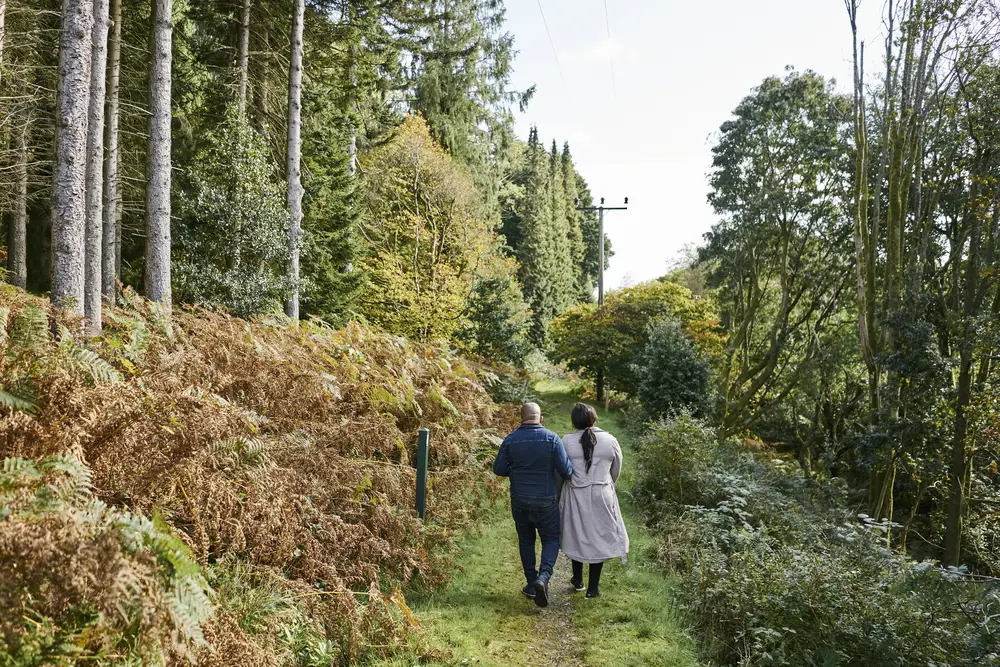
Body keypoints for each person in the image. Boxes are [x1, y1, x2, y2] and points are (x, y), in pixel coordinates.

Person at [493, 402, 573, 608]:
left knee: (526, 541)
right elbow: (566, 471)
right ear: (540, 418)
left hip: (520, 499)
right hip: (546, 500)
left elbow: (499, 469)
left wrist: (517, 472)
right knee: (551, 538)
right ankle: (543, 577)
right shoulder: (552, 438)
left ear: (521, 418)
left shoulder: (510, 440)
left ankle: (531, 583)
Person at [559, 402, 629, 599]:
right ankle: (593, 588)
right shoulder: (610, 440)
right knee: (598, 536)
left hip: (575, 493)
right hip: (602, 493)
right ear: (594, 418)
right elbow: (616, 469)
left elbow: (562, 469)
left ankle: (578, 579)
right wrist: (605, 484)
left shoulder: (566, 441)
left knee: (577, 534)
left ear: (574, 421)